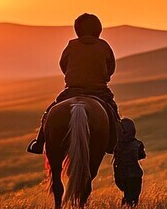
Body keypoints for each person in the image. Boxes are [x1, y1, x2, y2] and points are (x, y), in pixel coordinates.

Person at [27, 12, 121, 154]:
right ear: (98, 29)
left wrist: (72, 76)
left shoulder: (72, 45)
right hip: (99, 91)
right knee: (113, 113)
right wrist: (103, 77)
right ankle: (118, 143)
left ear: (78, 30)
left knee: (50, 112)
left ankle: (39, 143)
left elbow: (63, 64)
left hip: (73, 90)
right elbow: (111, 67)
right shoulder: (103, 46)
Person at [112, 118, 146, 205]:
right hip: (135, 175)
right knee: (134, 196)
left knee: (127, 195)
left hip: (123, 175)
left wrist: (117, 176)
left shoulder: (117, 146)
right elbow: (142, 156)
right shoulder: (138, 144)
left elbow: (116, 162)